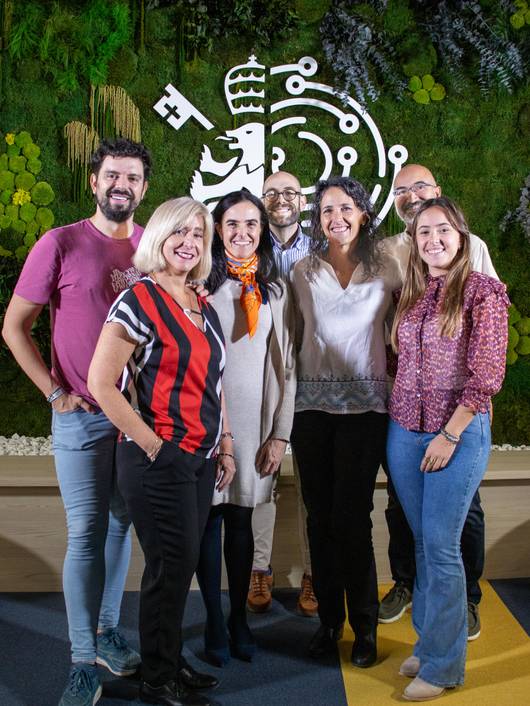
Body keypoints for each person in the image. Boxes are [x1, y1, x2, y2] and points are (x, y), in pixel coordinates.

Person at [2, 138, 150, 706]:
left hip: (133, 421)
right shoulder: (60, 242)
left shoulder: (151, 248)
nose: (122, 185)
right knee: (86, 532)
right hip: (82, 419)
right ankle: (80, 660)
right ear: (94, 181)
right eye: (112, 174)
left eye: (132, 177)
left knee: (119, 527)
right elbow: (15, 326)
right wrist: (55, 392)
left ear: (143, 187)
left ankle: (108, 633)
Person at [87, 197, 234, 706]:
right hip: (157, 459)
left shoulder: (201, 302)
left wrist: (227, 444)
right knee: (168, 569)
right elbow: (101, 384)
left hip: (201, 458)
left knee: (183, 565)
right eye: (179, 232)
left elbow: (216, 383)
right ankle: (156, 679)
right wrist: (153, 445)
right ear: (159, 238)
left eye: (198, 234)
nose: (189, 243)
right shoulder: (137, 300)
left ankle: (169, 664)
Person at [386, 196, 508, 701]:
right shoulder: (412, 293)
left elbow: (486, 377)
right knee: (420, 546)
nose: (433, 240)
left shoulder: (483, 292)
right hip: (404, 432)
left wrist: (451, 433)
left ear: (461, 236)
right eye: (423, 233)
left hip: (454, 435)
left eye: (442, 230)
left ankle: (444, 666)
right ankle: (430, 642)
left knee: (440, 548)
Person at [290, 175, 400, 667]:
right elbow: (294, 334)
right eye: (327, 210)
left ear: (363, 213)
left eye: (345, 208)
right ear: (319, 219)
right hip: (311, 411)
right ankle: (329, 623)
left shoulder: (388, 266)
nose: (336, 218)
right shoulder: (303, 271)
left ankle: (367, 627)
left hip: (366, 412)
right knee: (320, 519)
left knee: (353, 521)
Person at [196, 189, 296, 666]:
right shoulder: (198, 285)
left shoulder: (274, 290)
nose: (242, 233)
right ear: (218, 229)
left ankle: (238, 618)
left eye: (252, 224)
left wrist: (280, 434)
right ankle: (213, 618)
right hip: (206, 421)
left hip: (255, 425)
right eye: (232, 224)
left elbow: (289, 367)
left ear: (263, 230)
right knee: (208, 520)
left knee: (240, 520)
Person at [247, 170, 317, 618]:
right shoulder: (248, 248)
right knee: (263, 478)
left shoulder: (324, 249)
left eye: (289, 192)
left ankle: (314, 575)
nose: (281, 199)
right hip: (266, 376)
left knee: (312, 485)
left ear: (302, 201)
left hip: (312, 376)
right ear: (262, 201)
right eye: (271, 193)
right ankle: (259, 569)